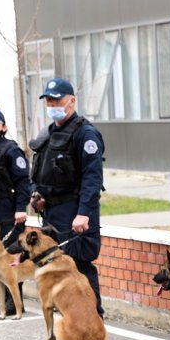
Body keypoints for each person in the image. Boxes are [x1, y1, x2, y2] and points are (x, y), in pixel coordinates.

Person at [30, 78, 105, 316]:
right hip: (52, 211)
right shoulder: (48, 133)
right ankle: (72, 319)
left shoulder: (85, 133)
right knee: (58, 265)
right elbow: (40, 170)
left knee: (80, 266)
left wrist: (83, 213)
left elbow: (92, 179)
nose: (52, 104)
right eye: (49, 100)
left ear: (71, 100)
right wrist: (36, 194)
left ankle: (95, 318)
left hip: (75, 210)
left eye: (57, 99)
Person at [0, 108, 29, 316]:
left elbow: (23, 181)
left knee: (11, 256)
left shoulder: (11, 149)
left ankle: (16, 301)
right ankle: (1, 299)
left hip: (6, 208)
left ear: (3, 127)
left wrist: (21, 208)